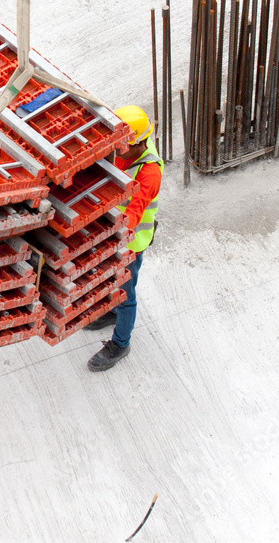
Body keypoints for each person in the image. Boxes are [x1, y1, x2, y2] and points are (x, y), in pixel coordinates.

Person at [85, 105, 162, 371]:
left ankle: (121, 343)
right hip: (117, 236)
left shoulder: (149, 172)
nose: (118, 150)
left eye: (122, 145)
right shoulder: (130, 145)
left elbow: (133, 214)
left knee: (125, 294)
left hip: (131, 243)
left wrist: (100, 229)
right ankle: (112, 312)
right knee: (112, 286)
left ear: (138, 143)